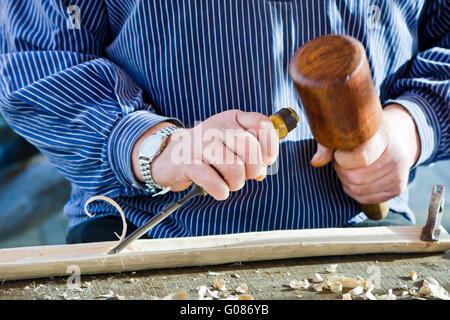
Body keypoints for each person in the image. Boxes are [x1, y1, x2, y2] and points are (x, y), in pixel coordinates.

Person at [0, 1, 448, 243]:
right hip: (144, 231)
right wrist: (156, 147)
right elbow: (36, 59)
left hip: (359, 232)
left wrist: (410, 126)